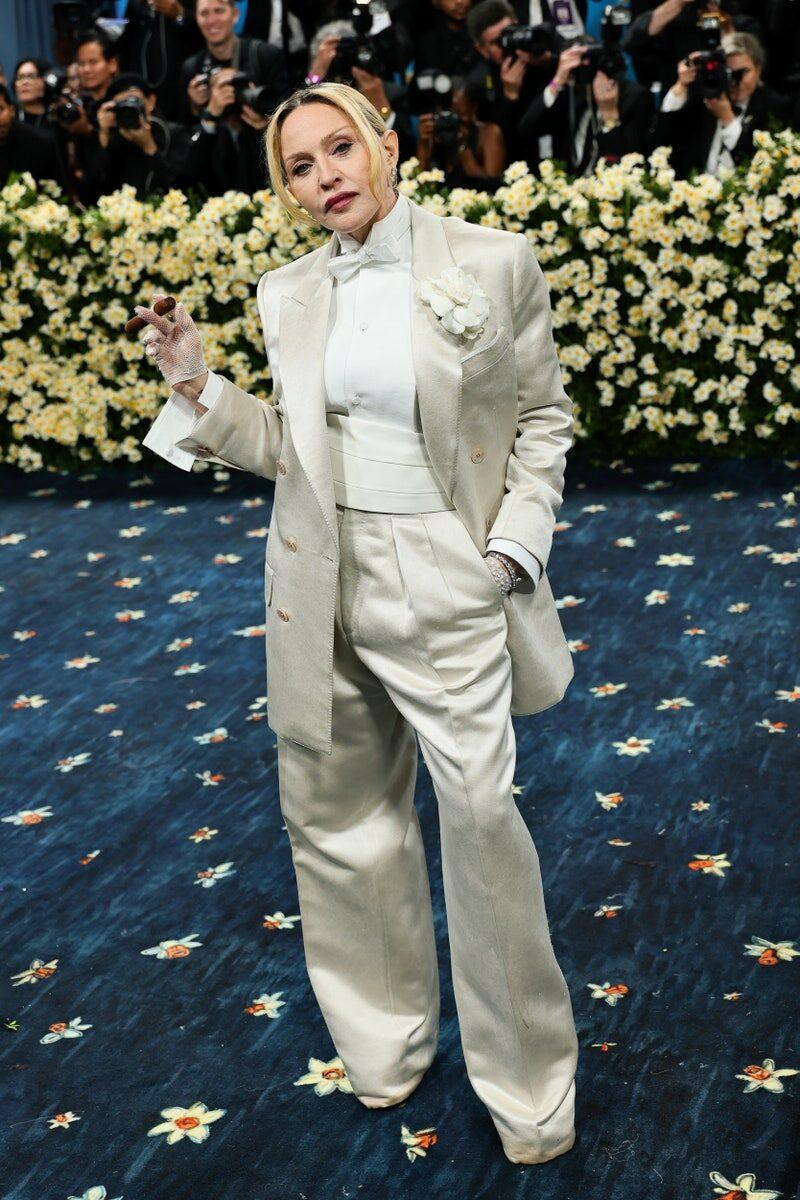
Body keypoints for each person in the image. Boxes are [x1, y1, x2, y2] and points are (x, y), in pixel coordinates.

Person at [137, 80, 579, 1164]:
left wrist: (511, 550)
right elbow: (293, 451)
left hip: (448, 571)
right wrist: (196, 389)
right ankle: (385, 1045)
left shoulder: (491, 262)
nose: (326, 175)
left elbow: (541, 418)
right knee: (338, 823)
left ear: (387, 144)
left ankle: (529, 1090)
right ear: (286, 190)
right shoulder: (286, 290)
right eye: (301, 165)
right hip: (318, 575)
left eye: (341, 147)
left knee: (480, 821)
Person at [652, 31, 794, 178]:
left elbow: (761, 167)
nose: (736, 81)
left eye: (743, 72)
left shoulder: (775, 107)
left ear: (758, 69)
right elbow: (662, 140)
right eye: (729, 73)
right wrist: (680, 86)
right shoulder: (705, 95)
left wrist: (727, 119)